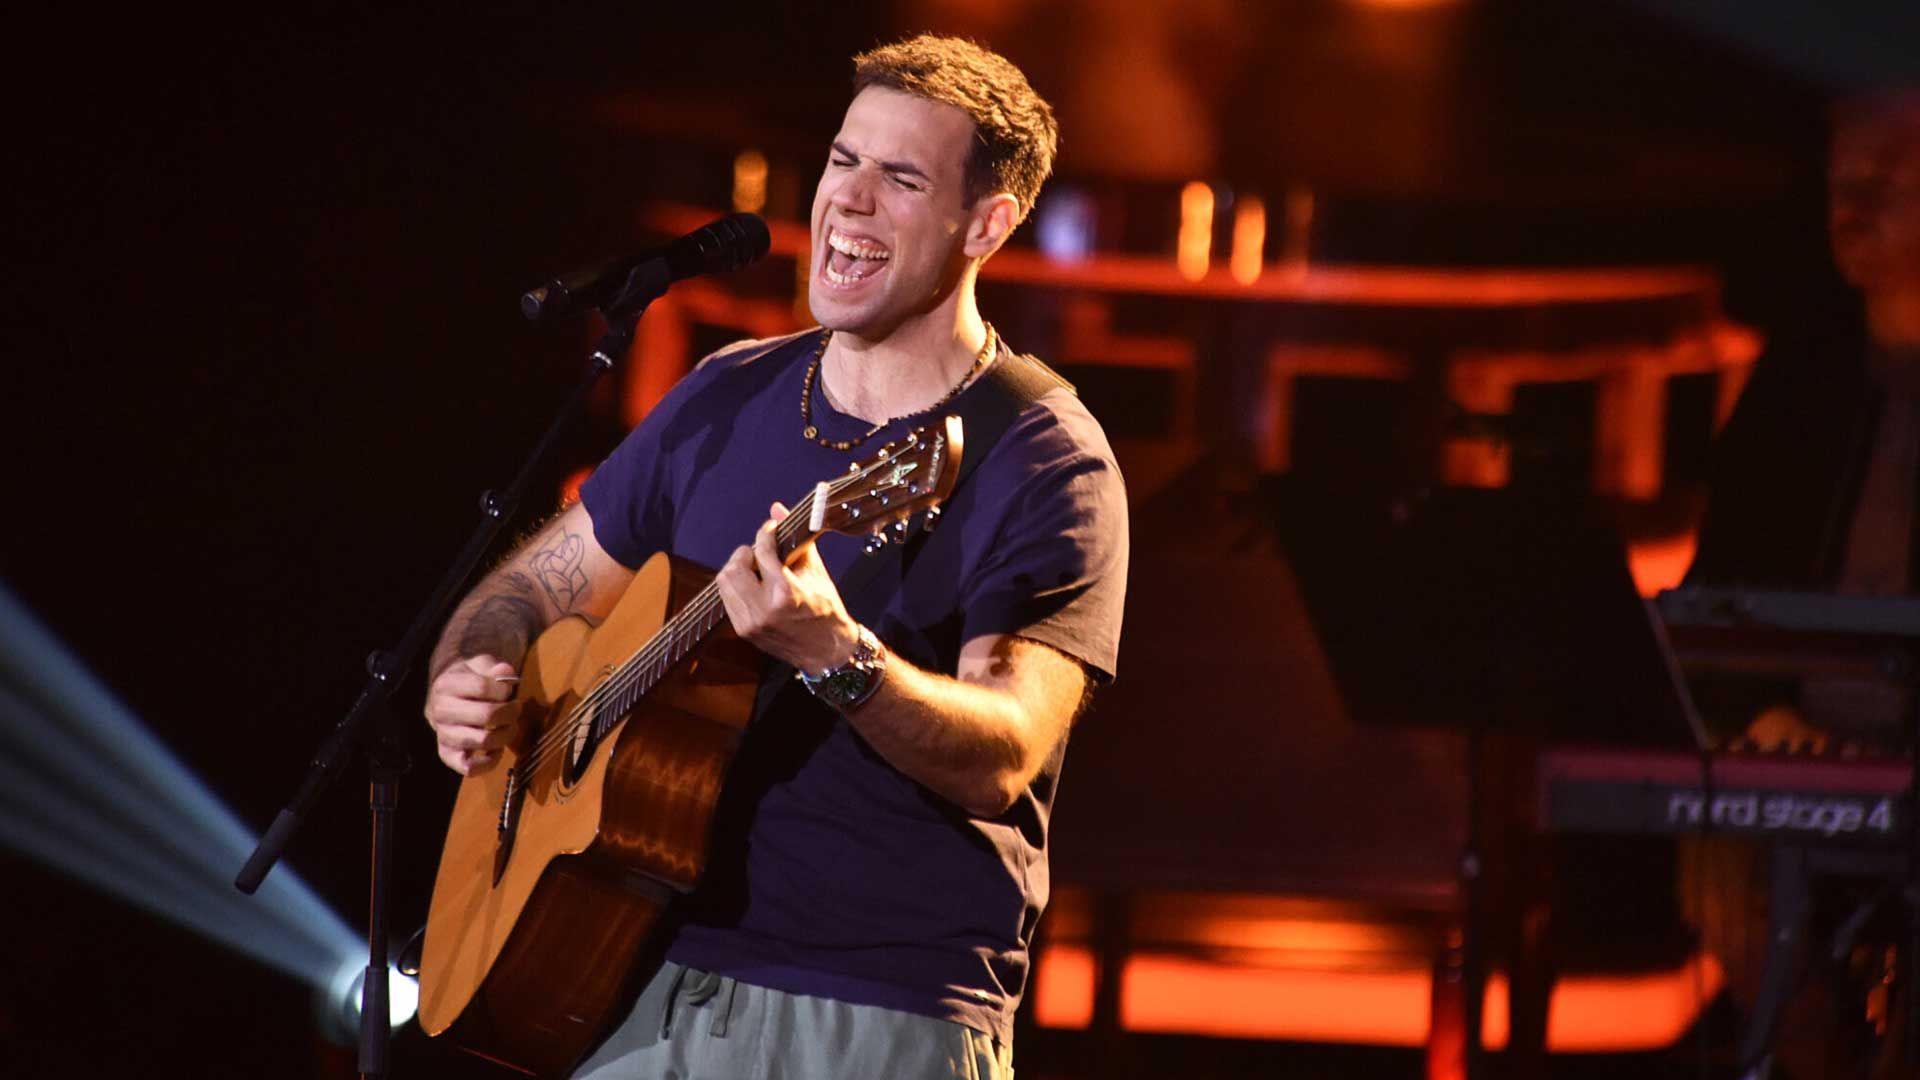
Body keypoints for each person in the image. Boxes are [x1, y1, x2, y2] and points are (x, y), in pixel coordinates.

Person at [422, 34, 1128, 1080]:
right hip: (632, 981)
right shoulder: (729, 391)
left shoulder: (1043, 457)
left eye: (902, 179)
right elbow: (529, 587)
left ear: (986, 223)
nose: (850, 201)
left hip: (872, 1010)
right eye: (844, 161)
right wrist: (474, 671)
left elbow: (1005, 752)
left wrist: (840, 658)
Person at [1680, 87, 1920, 1076]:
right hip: (1801, 738)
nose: (1853, 202)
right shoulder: (1801, 379)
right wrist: (1759, 712)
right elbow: (1713, 599)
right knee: (1724, 855)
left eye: (1890, 172)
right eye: (1841, 175)